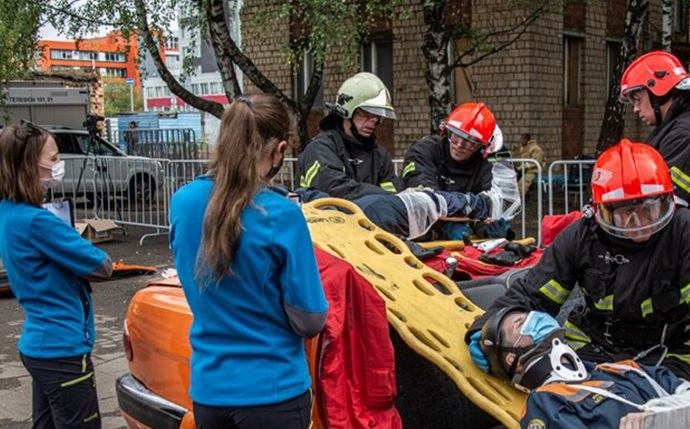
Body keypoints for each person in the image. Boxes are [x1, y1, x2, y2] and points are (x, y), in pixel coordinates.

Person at [466, 138, 690, 381]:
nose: (639, 224)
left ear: (665, 201)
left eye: (648, 208)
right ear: (601, 210)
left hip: (670, 351)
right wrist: (487, 328)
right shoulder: (583, 236)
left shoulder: (683, 231)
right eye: (625, 213)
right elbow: (532, 293)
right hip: (593, 347)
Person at [169, 94, 329, 429]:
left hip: (210, 391)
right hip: (272, 393)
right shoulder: (282, 215)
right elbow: (310, 319)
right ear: (279, 150)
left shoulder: (182, 203)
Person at [0, 123, 113, 428]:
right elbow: (102, 266)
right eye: (53, 159)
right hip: (62, 347)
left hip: (39, 344)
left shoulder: (8, 211)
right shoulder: (39, 222)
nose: (58, 165)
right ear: (28, 165)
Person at [478, 306, 690, 429]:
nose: (535, 318)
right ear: (510, 358)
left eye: (533, 315)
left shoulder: (621, 368)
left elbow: (684, 391)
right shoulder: (545, 402)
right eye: (520, 323)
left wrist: (662, 415)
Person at [402, 102, 519, 239]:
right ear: (447, 131)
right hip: (419, 232)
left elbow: (495, 203)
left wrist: (484, 227)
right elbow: (424, 198)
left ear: (482, 146)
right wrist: (448, 224)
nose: (459, 145)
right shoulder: (424, 150)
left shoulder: (486, 163)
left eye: (470, 141)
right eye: (455, 135)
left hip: (464, 235)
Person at [298, 72, 398, 200]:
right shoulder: (319, 149)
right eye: (367, 112)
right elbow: (333, 188)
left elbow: (393, 197)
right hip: (321, 218)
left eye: (378, 115)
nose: (374, 120)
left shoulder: (379, 156)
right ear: (347, 112)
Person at [620, 50, 690, 205]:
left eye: (637, 99)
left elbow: (660, 202)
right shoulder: (676, 127)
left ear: (657, 91)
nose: (636, 109)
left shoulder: (683, 135)